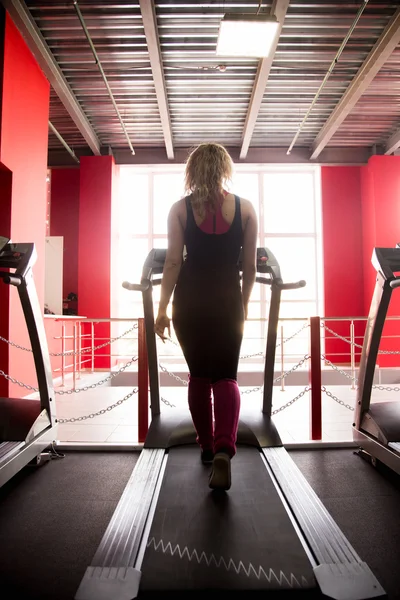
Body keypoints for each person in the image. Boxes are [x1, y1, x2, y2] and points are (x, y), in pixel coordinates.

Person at [154, 143, 258, 491]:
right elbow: (251, 267)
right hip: (228, 298)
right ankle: (224, 452)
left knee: (199, 376)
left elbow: (172, 262)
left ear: (193, 171)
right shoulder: (245, 209)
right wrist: (241, 306)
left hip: (190, 300)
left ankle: (206, 445)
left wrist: (162, 308)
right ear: (224, 168)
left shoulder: (179, 210)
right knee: (226, 375)